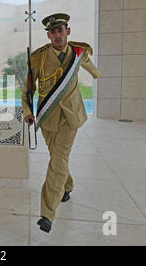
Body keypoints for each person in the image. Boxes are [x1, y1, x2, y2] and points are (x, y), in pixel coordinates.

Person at [22, 13, 102, 233]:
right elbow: (28, 89)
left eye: (61, 30)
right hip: (48, 117)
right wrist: (28, 111)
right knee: (56, 155)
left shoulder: (79, 53)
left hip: (71, 116)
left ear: (68, 31)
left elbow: (95, 72)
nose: (58, 35)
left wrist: (97, 73)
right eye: (53, 31)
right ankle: (67, 186)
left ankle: (48, 213)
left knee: (59, 158)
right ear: (48, 35)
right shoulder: (37, 58)